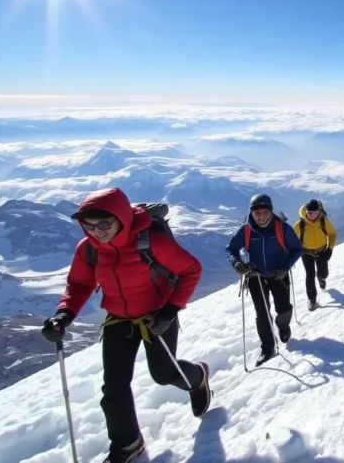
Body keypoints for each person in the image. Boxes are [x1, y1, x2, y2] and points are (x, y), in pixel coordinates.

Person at [40, 187, 209, 463]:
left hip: (157, 315)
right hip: (118, 319)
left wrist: (169, 311)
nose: (96, 231)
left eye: (104, 223)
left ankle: (198, 378)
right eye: (89, 225)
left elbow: (191, 269)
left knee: (164, 374)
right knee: (114, 385)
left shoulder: (151, 242)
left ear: (122, 218)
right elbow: (80, 283)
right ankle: (127, 443)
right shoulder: (88, 250)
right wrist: (64, 314)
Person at [225, 193, 303, 366]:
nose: (261, 216)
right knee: (262, 313)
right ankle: (268, 349)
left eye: (265, 212)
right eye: (257, 213)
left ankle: (283, 325)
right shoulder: (246, 230)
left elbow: (297, 249)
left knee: (282, 308)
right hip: (255, 276)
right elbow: (230, 249)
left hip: (278, 275)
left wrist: (286, 266)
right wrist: (237, 263)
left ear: (271, 211)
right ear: (251, 213)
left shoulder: (282, 228)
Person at [293, 198, 337, 311]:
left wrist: (330, 249)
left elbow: (332, 234)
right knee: (309, 274)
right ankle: (312, 300)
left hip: (322, 251)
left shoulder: (323, 221)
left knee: (324, 274)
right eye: (309, 212)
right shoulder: (300, 224)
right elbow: (292, 239)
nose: (311, 215)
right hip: (306, 252)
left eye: (314, 212)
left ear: (319, 211)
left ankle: (321, 277)